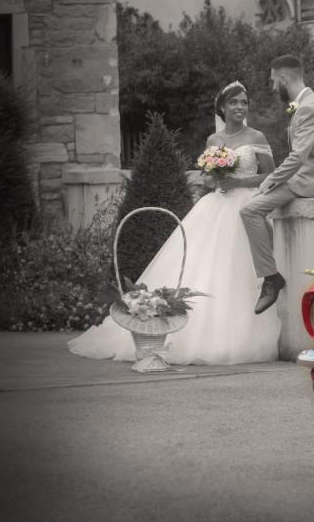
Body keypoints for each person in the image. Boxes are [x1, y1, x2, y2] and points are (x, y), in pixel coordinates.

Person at [68, 81, 282, 365]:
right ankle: (187, 333)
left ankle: (241, 331)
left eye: (244, 102)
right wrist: (215, 178)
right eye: (234, 103)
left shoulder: (256, 136)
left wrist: (239, 181)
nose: (240, 107)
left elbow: (271, 174)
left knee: (240, 269)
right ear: (222, 107)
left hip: (247, 205)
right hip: (217, 204)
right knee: (207, 266)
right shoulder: (213, 142)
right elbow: (206, 178)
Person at [240, 54, 314, 314]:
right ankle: (271, 270)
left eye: (274, 82)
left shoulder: (309, 107)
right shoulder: (306, 103)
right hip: (306, 179)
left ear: (284, 78)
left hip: (311, 182)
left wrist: (271, 181)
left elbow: (298, 156)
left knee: (250, 210)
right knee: (256, 208)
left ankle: (271, 279)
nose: (274, 88)